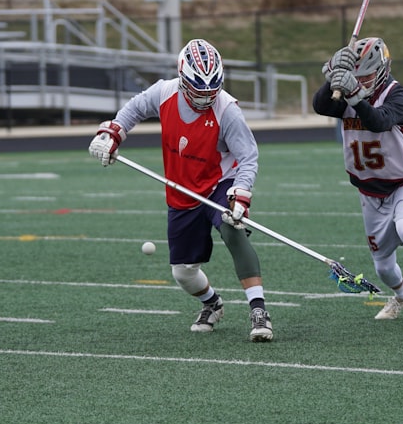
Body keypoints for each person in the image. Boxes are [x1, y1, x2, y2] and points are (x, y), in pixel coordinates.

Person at [87, 38, 274, 342]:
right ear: (183, 79)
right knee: (183, 273)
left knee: (232, 229)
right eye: (199, 93)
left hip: (218, 182)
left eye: (210, 93)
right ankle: (212, 303)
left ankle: (259, 309)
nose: (205, 100)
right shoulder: (164, 92)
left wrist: (241, 192)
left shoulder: (227, 110)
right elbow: (133, 110)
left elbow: (248, 155)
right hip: (182, 189)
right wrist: (112, 134)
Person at [312, 37, 403, 321]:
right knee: (383, 268)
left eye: (366, 75)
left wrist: (354, 94)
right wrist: (332, 75)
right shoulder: (347, 92)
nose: (360, 81)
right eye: (356, 75)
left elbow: (377, 121)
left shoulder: (396, 94)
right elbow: (320, 106)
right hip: (369, 192)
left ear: (382, 69)